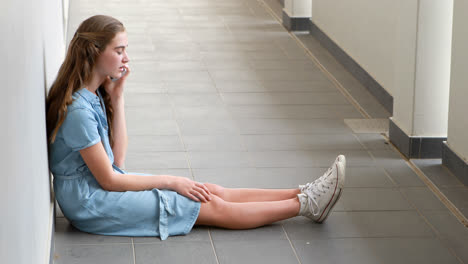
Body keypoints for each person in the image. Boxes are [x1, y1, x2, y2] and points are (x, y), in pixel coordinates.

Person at [46, 15, 346, 241]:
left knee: (209, 191)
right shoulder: (78, 112)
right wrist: (172, 182)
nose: (127, 58)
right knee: (206, 205)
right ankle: (305, 205)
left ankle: (299, 191)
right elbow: (111, 180)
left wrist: (117, 97)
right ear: (94, 52)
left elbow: (117, 162)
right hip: (90, 203)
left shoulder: (94, 96)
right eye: (120, 50)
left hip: (97, 189)